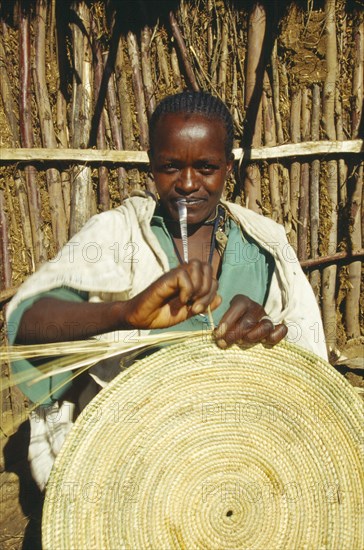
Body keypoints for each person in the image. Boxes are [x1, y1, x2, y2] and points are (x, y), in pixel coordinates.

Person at [6, 91, 327, 490]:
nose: (188, 183)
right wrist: (126, 313)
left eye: (207, 167)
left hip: (242, 450)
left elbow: (307, 354)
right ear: (150, 163)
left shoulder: (263, 244)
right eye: (170, 167)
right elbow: (29, 322)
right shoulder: (116, 234)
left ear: (230, 165)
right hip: (133, 455)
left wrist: (265, 335)